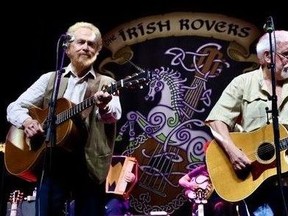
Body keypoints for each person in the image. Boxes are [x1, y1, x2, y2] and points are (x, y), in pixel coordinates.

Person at [6, 21, 122, 216]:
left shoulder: (106, 83)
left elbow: (114, 115)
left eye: (91, 44)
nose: (86, 47)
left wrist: (104, 105)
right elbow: (14, 107)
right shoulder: (50, 79)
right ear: (68, 48)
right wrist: (27, 122)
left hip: (89, 164)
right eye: (81, 42)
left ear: (97, 50)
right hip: (53, 163)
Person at [205, 30, 288, 216]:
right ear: (267, 57)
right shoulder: (242, 83)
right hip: (257, 183)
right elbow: (216, 120)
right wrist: (233, 152)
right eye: (286, 55)